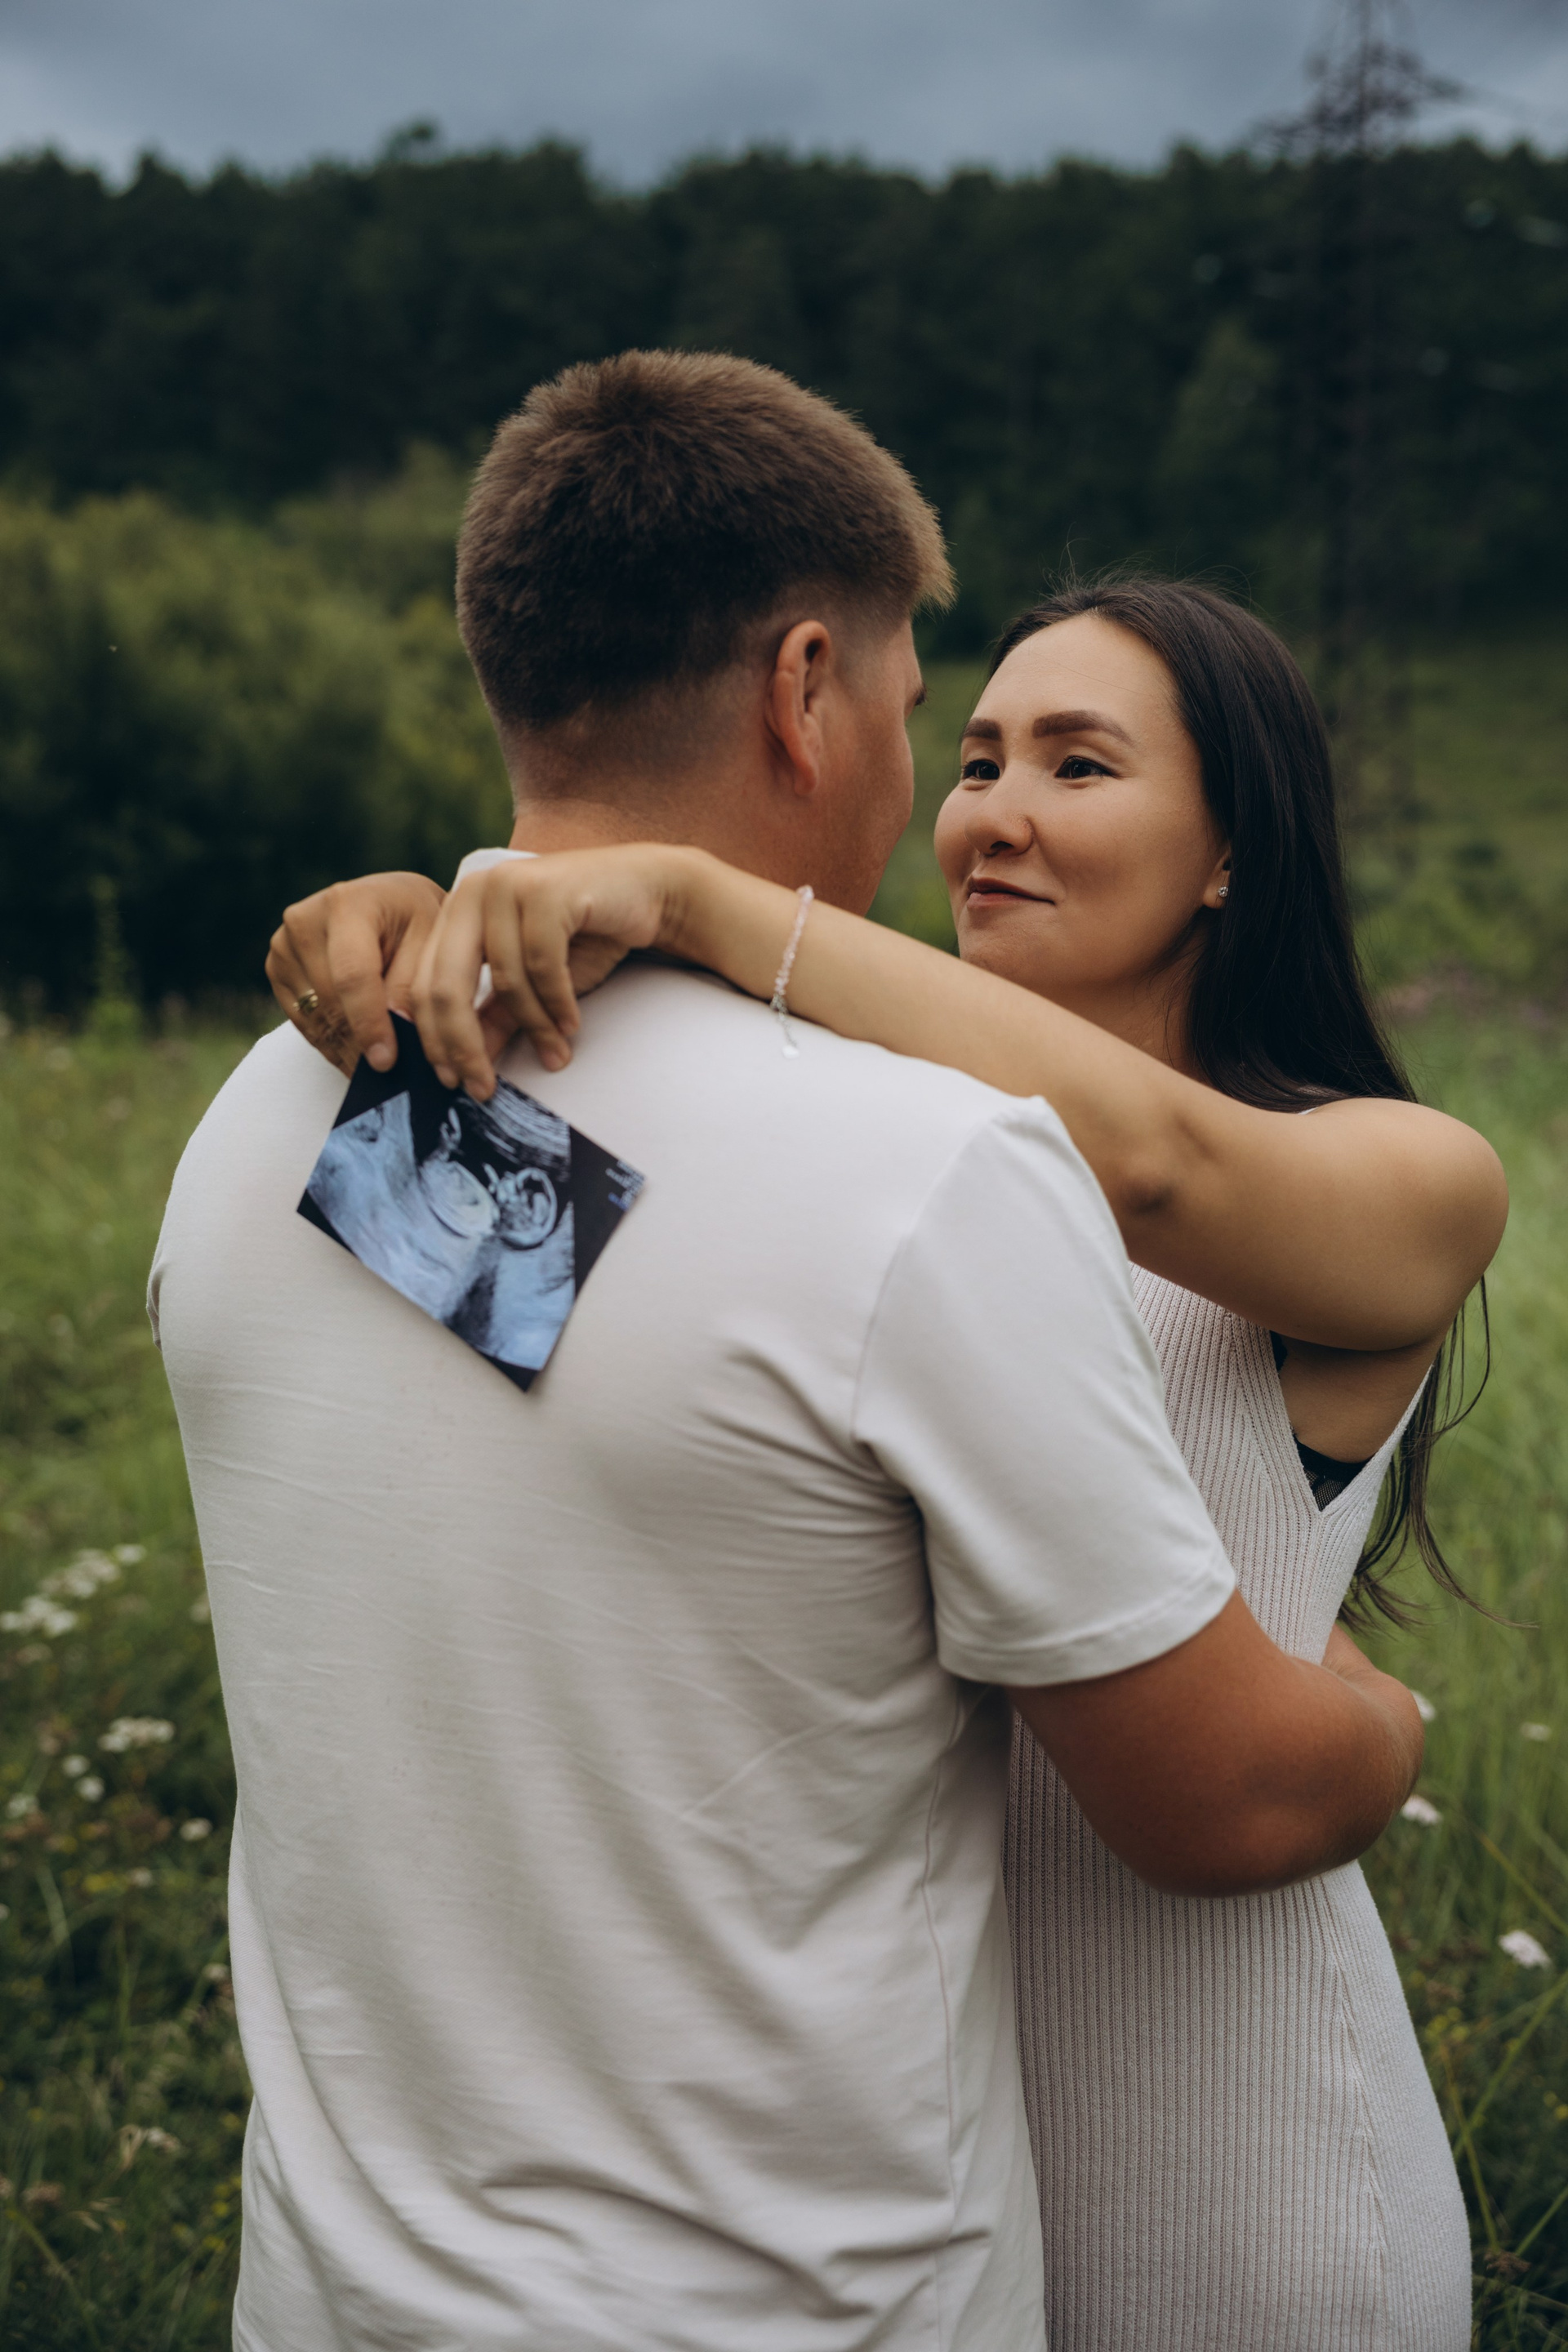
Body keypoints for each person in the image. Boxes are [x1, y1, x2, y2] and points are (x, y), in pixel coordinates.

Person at [158, 350, 1431, 2352]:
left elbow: (1154, 1175)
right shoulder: (913, 1176)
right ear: (804, 688)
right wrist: (1378, 1716)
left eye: (1077, 764)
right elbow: (1223, 1791)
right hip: (807, 2286)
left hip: (356, 2290)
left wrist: (642, 898)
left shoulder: (269, 1115)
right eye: (951, 733)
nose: (972, 805)